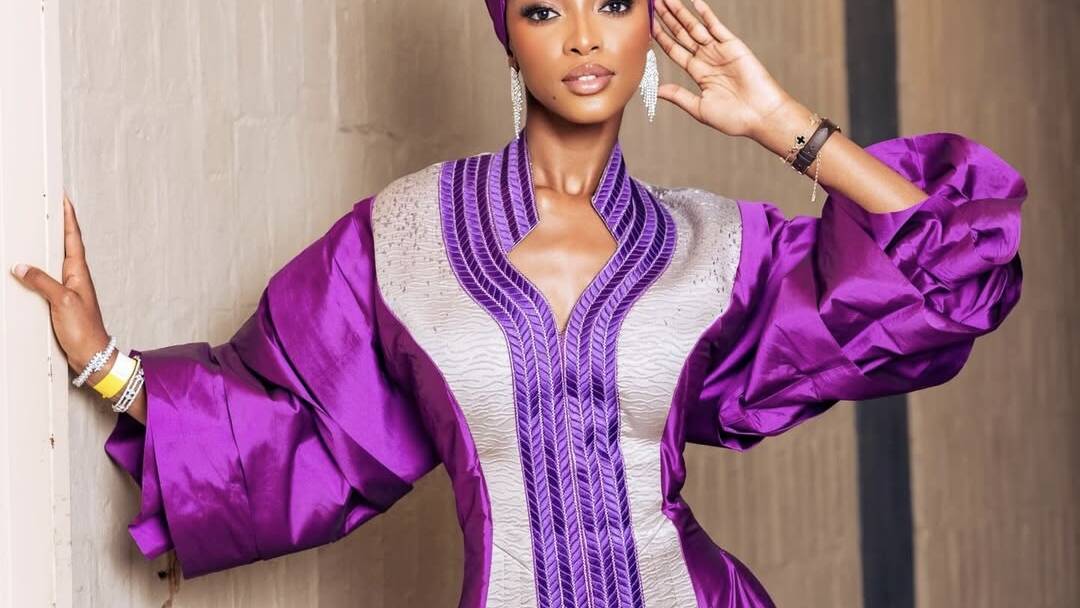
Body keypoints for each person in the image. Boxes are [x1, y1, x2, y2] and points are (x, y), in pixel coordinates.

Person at [10, 0, 1026, 605]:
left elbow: (949, 269)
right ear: (507, 36)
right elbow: (288, 422)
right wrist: (107, 365)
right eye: (545, 10)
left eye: (614, 3)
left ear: (651, 26)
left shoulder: (714, 246)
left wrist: (783, 124)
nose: (583, 38)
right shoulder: (403, 238)